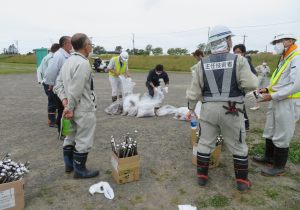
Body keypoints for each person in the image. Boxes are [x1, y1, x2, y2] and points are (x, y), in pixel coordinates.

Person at [186, 25, 258, 191]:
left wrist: (190, 108)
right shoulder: (238, 60)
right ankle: (242, 182)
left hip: (208, 110)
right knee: (238, 145)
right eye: (229, 38)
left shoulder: (201, 64)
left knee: (204, 142)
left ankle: (202, 177)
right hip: (232, 109)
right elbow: (251, 84)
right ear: (226, 40)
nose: (231, 41)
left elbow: (194, 91)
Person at [252, 33, 300, 176]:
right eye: (275, 42)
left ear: (291, 41)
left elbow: (294, 85)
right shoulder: (284, 58)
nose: (277, 44)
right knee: (271, 129)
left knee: (283, 132)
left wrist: (272, 95)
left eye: (280, 41)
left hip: (288, 101)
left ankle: (279, 167)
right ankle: (269, 157)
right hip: (277, 99)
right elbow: (279, 81)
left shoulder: (296, 57)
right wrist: (267, 89)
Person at [54, 33, 99, 179]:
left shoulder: (68, 61)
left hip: (71, 106)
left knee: (70, 136)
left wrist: (65, 102)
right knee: (84, 139)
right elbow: (76, 89)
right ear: (86, 46)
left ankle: (69, 165)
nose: (91, 47)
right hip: (82, 108)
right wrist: (70, 107)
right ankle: (79, 170)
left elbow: (58, 84)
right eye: (91, 44)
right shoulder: (83, 63)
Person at [43, 36, 73, 136]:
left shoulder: (68, 54)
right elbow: (51, 71)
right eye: (70, 42)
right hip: (60, 87)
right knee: (62, 110)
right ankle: (63, 133)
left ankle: (66, 131)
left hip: (67, 87)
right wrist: (51, 84)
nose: (72, 44)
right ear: (65, 44)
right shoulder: (58, 55)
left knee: (66, 109)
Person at [233, 44, 257, 130]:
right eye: (235, 52)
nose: (236, 54)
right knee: (237, 105)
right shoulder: (236, 61)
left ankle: (245, 124)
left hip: (241, 88)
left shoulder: (246, 61)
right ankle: (242, 124)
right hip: (235, 87)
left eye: (238, 52)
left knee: (240, 105)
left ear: (243, 53)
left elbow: (253, 73)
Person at [37, 43, 60, 127]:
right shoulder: (52, 58)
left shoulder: (45, 57)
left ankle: (52, 120)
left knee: (54, 101)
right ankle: (52, 121)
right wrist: (51, 83)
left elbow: (39, 69)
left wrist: (40, 80)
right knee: (53, 102)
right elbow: (51, 72)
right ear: (57, 50)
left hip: (47, 83)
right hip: (51, 83)